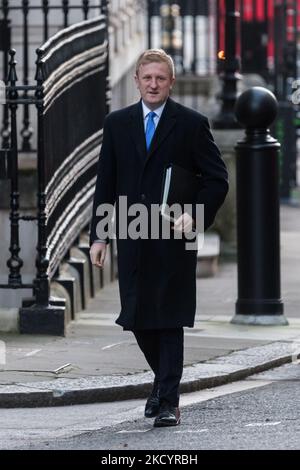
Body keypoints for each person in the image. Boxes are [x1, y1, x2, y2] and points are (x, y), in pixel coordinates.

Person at [89, 49, 228, 427]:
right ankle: (161, 385)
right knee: (136, 317)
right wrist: (99, 237)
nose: (153, 84)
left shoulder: (191, 124)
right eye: (147, 78)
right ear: (136, 80)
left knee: (168, 318)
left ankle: (168, 399)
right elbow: (106, 183)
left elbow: (217, 180)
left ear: (171, 83)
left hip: (172, 235)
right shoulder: (117, 124)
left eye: (160, 78)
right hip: (133, 234)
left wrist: (194, 215)